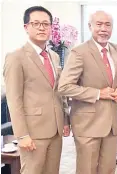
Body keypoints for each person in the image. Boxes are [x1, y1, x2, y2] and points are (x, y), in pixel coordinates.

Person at [58, 11, 117, 174]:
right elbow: (64, 87)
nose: (103, 29)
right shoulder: (79, 52)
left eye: (107, 25)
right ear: (90, 26)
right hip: (87, 124)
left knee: (108, 169)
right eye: (99, 24)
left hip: (111, 125)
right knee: (87, 170)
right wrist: (98, 93)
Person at [3, 6, 70, 174]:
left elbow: (58, 91)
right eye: (36, 23)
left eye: (46, 24)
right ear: (26, 27)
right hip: (33, 132)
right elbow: (14, 99)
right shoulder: (16, 57)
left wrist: (65, 119)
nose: (42, 27)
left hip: (55, 129)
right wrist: (22, 135)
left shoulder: (53, 56)